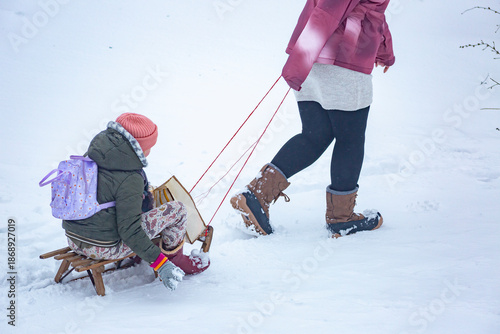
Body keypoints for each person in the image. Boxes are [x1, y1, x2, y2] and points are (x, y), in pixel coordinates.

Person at [231, 0, 395, 237]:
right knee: (350, 139)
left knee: (314, 135)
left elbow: (371, 11)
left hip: (315, 61)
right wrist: (300, 60)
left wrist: (384, 51)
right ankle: (342, 219)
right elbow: (327, 13)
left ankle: (257, 196)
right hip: (343, 62)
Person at [63, 113, 210, 291]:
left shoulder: (95, 154)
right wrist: (160, 263)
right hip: (102, 247)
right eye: (150, 146)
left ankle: (142, 251)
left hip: (73, 237)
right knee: (176, 210)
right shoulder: (130, 177)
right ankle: (173, 258)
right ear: (141, 146)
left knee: (146, 195)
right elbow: (129, 230)